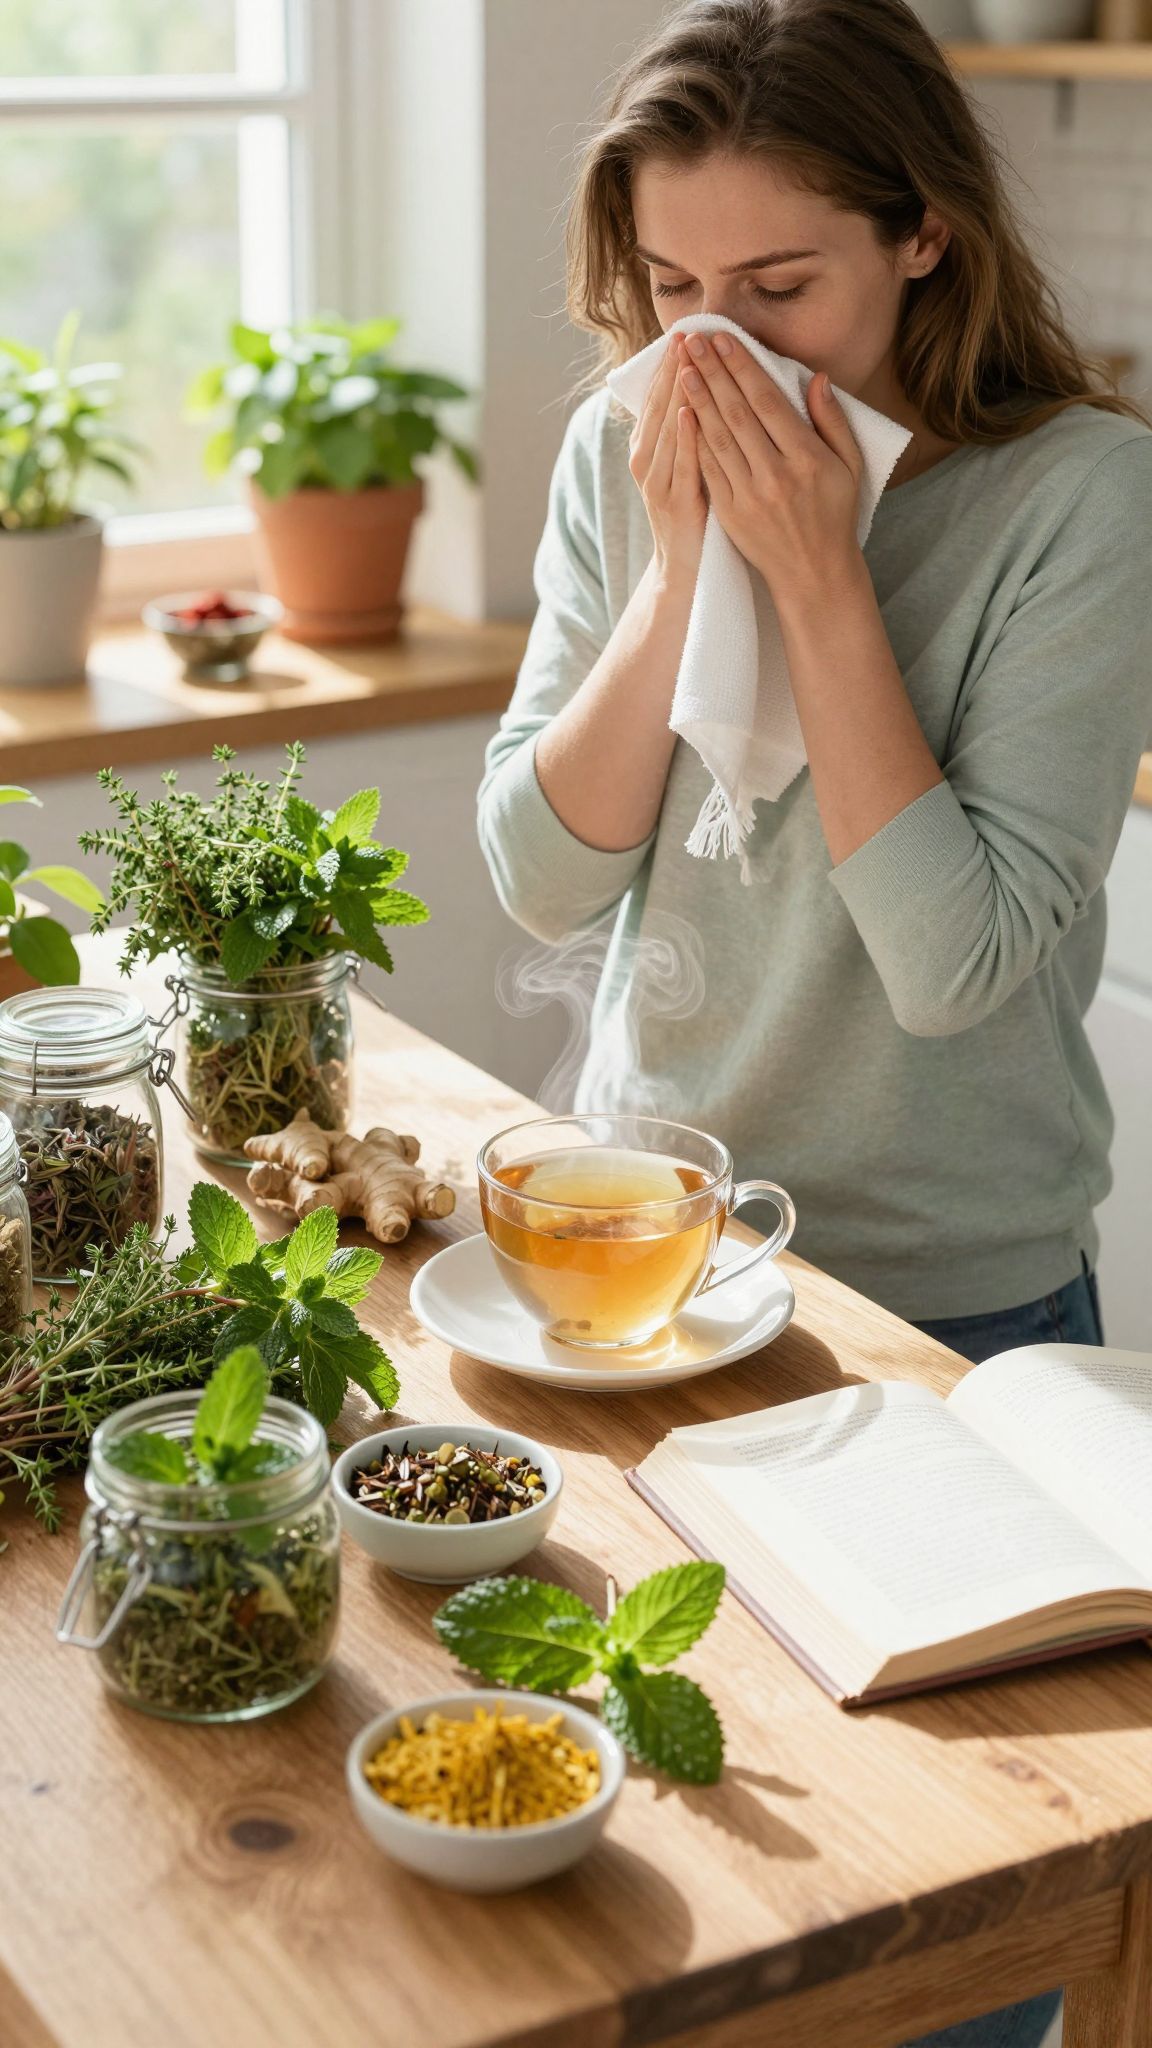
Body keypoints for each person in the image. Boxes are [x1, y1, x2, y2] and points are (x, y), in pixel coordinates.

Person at [477, 3, 1152, 2040]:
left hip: (956, 1329)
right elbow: (540, 869)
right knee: (676, 1927)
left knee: (944, 1956)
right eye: (678, 289)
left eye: (783, 288)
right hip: (654, 1299)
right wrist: (691, 565)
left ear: (925, 234)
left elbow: (958, 969)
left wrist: (823, 579)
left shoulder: (1080, 497)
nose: (727, 345)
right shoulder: (629, 438)